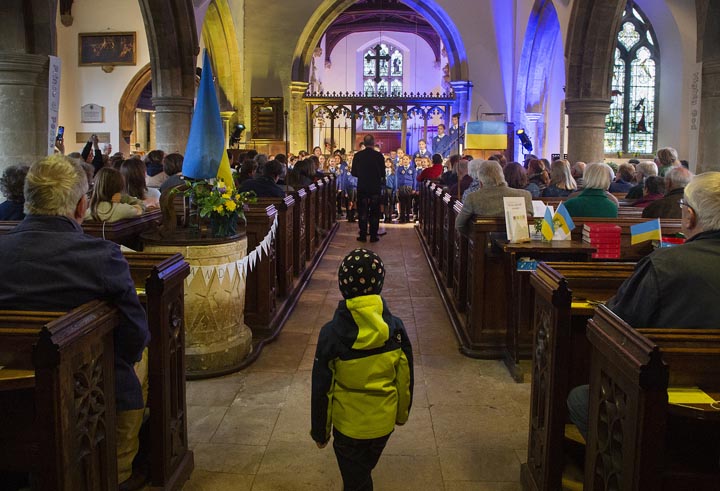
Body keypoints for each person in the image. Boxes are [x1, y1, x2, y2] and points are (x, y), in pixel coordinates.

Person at [0, 154, 150, 488]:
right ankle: (121, 469)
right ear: (82, 206)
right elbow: (135, 335)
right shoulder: (101, 257)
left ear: (27, 201)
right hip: (90, 405)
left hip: (9, 406)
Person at [568, 172, 720, 439]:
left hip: (663, 400)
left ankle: (631, 477)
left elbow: (617, 322)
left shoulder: (666, 265)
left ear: (691, 217)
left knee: (581, 399)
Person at [311, 248, 413, 491]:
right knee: (360, 474)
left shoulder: (331, 334)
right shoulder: (396, 329)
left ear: (342, 285)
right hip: (383, 423)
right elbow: (404, 379)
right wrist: (401, 415)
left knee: (357, 482)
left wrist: (320, 432)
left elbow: (321, 388)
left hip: (349, 428)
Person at [455, 160, 533, 233]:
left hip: (483, 245)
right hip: (517, 243)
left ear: (480, 180)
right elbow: (531, 223)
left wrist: (473, 237)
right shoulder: (525, 195)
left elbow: (459, 225)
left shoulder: (473, 198)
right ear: (502, 175)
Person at [351, 134, 385, 242]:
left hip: (363, 187)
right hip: (375, 187)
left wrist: (363, 175)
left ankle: (363, 235)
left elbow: (354, 173)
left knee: (362, 212)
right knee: (375, 212)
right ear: (373, 143)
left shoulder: (358, 156)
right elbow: (383, 173)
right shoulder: (379, 156)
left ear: (364, 143)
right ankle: (373, 236)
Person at [395, 154, 416, 223]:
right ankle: (402, 217)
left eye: (407, 159)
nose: (405, 161)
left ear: (409, 160)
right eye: (404, 159)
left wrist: (414, 188)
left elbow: (414, 179)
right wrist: (397, 187)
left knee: (408, 203)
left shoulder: (412, 169)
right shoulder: (400, 168)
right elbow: (397, 178)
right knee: (402, 203)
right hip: (401, 187)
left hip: (409, 187)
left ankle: (407, 218)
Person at [383, 158, 397, 223]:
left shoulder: (393, 172)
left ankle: (390, 216)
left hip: (391, 189)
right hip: (384, 188)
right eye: (386, 162)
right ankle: (386, 216)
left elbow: (395, 182)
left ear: (391, 164)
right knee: (385, 203)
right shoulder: (382, 171)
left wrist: (395, 190)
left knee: (391, 203)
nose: (388, 163)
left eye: (389, 162)